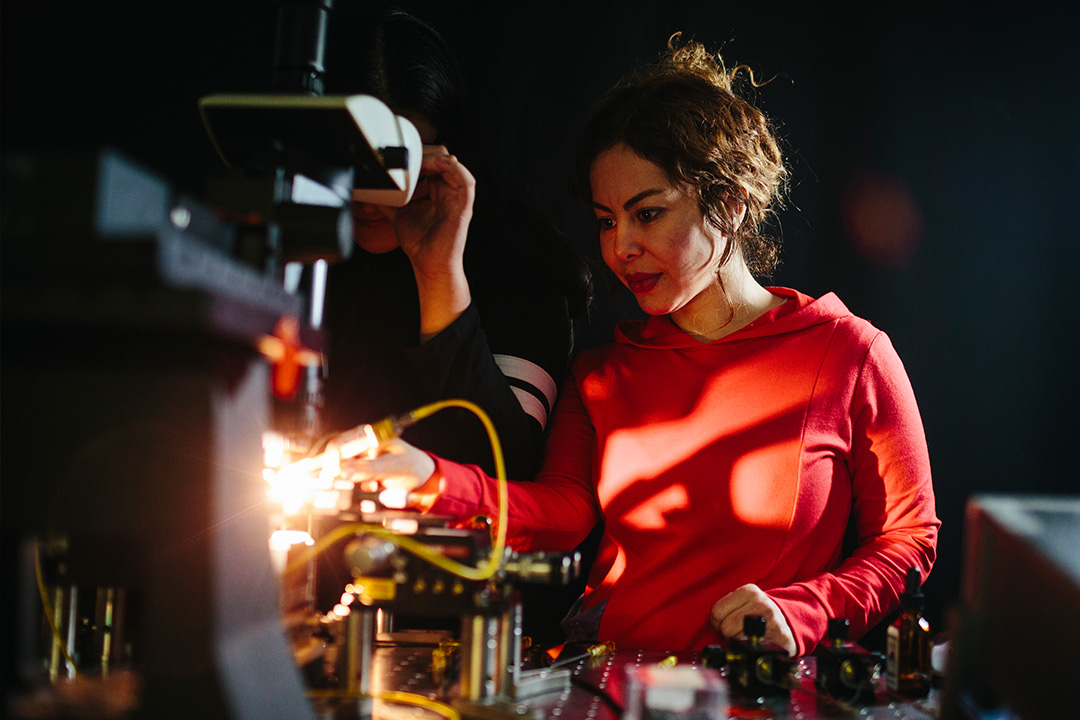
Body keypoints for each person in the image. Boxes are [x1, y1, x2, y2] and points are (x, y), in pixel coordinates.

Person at [340, 34, 939, 656]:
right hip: (600, 686)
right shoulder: (603, 373)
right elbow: (560, 514)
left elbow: (910, 540)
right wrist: (428, 478)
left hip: (756, 693)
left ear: (730, 203)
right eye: (605, 220)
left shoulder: (849, 353)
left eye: (647, 214)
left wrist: (805, 612)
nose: (619, 246)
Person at [314, 8, 593, 643]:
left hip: (468, 634)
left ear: (443, 153)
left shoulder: (523, 271)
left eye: (393, 165)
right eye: (351, 162)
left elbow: (504, 466)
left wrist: (437, 269)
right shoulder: (297, 254)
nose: (369, 193)